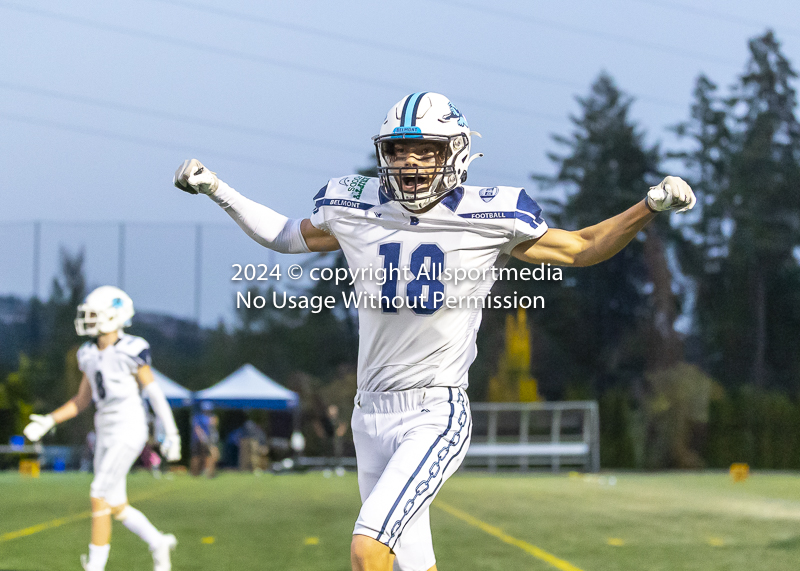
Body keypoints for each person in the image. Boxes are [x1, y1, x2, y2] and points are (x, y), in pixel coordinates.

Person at [174, 92, 695, 571]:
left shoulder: (488, 214)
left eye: (425, 151)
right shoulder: (357, 206)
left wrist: (648, 207)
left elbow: (581, 247)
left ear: (457, 152)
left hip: (433, 412)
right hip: (368, 413)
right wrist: (217, 188)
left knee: (367, 549)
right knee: (412, 564)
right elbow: (286, 234)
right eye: (399, 151)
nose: (411, 163)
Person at [23, 286, 182, 571]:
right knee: (117, 505)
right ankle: (158, 543)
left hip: (129, 428)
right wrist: (49, 420)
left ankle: (95, 567)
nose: (89, 319)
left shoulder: (131, 348)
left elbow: (154, 393)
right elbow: (82, 399)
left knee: (99, 493)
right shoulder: (88, 353)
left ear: (115, 316)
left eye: (95, 314)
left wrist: (171, 433)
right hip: (105, 430)